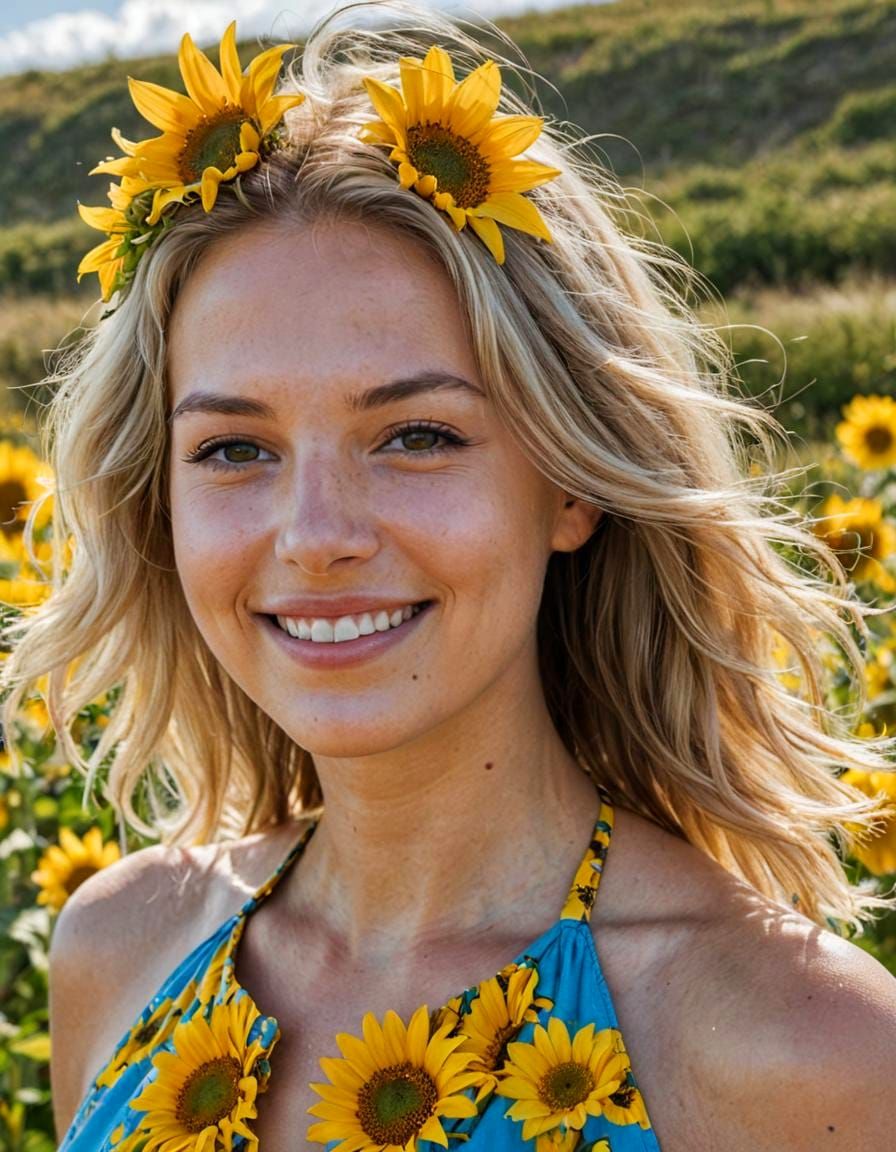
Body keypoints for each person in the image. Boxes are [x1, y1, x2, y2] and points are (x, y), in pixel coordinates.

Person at [3, 2, 895, 1150]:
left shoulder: (801, 1052)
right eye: (234, 449)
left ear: (569, 484)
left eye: (416, 434)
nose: (313, 533)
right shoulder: (122, 951)